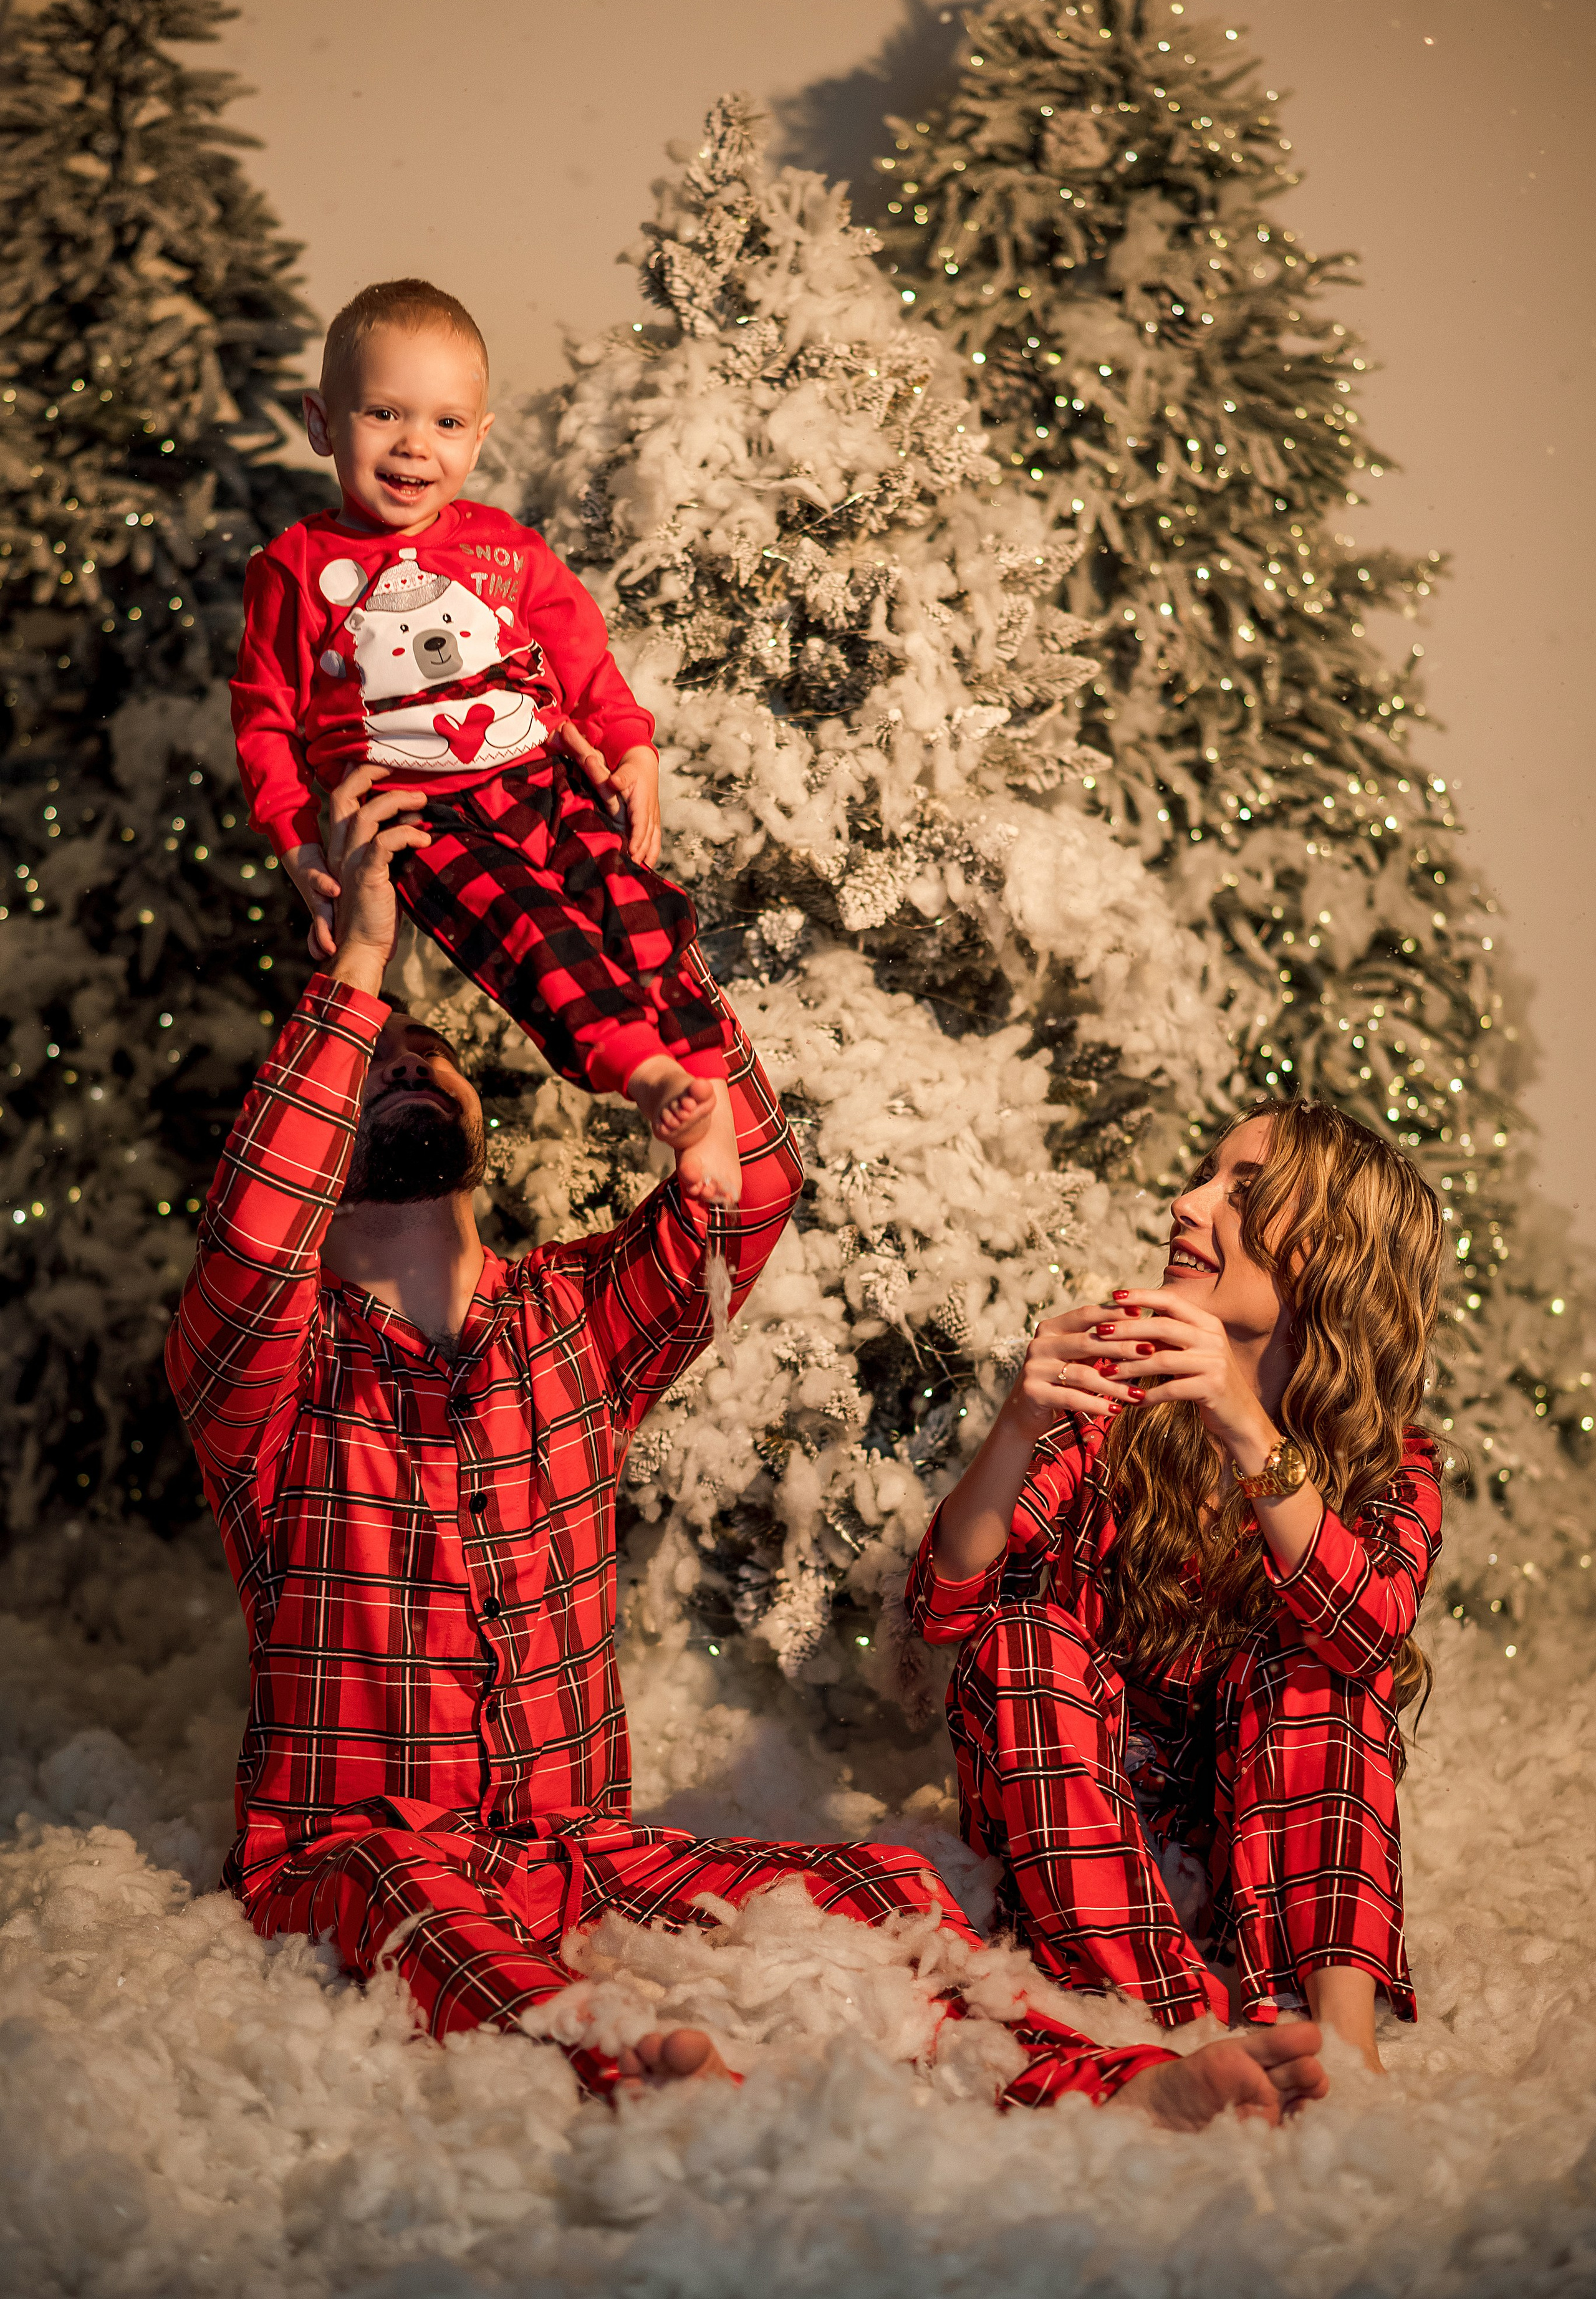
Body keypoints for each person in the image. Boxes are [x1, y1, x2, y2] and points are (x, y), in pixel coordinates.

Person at [165, 774, 1327, 2126]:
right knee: (417, 1909)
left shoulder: (574, 1322)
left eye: (427, 1054)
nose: (404, 1062)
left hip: (583, 1852)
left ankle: (1105, 2081)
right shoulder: (258, 1363)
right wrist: (358, 974)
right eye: (369, 1063)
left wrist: (631, 951)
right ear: (297, 1137)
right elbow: (254, 1244)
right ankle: (623, 2065)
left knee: (876, 1891)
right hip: (354, 1848)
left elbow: (752, 1181)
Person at [907, 1100, 1445, 2076]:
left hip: (1267, 1857)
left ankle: (1340, 2043)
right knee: (1021, 1636)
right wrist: (1020, 1423)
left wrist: (1249, 1430)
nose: (1189, 1202)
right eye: (1206, 1173)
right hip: (1084, 1832)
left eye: (1242, 1188)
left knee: (1323, 1667)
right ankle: (1179, 2029)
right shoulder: (1114, 1400)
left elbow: (1373, 1631)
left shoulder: (1389, 1469)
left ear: (1329, 1253)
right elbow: (945, 1606)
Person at [229, 276, 739, 1202]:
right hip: (419, 815)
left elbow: (582, 654)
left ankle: (713, 1113)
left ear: (480, 436)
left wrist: (635, 749)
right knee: (535, 938)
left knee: (640, 910)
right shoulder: (296, 569)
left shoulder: (506, 548)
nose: (415, 445)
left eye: (446, 423)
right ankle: (648, 1076)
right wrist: (301, 845)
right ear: (321, 421)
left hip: (545, 778)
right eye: (384, 413)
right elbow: (264, 717)